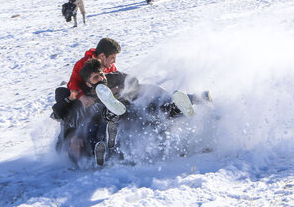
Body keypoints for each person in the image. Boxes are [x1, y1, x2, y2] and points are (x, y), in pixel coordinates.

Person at [56, 58, 199, 164]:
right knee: (92, 132)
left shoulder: (112, 78)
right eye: (96, 77)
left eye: (101, 75)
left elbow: (135, 82)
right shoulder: (83, 95)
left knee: (150, 110)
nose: (101, 78)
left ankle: (185, 105)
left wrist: (119, 89)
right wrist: (75, 136)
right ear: (88, 83)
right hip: (104, 122)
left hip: (129, 111)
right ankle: (98, 154)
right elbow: (74, 119)